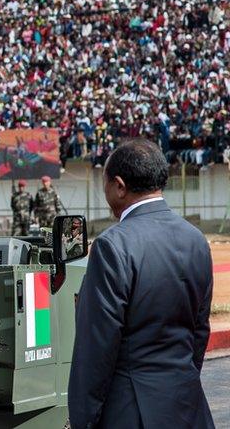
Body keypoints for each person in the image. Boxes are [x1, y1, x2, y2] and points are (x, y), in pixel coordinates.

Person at [69, 139, 214, 429]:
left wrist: (83, 420)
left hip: (130, 411)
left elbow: (96, 348)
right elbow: (199, 330)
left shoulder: (112, 245)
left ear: (119, 186)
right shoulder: (195, 238)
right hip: (188, 405)